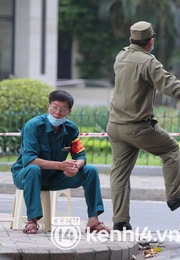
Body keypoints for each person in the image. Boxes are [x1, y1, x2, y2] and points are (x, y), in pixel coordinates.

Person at [107, 21, 180, 231]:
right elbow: (168, 83)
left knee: (119, 175)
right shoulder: (148, 62)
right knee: (170, 148)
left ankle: (120, 221)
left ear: (131, 40)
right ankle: (174, 195)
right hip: (137, 127)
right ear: (151, 42)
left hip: (115, 126)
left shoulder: (121, 56)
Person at [11, 90, 112, 234]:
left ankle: (93, 220)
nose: (57, 112)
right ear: (48, 106)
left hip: (54, 176)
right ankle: (32, 221)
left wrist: (75, 167)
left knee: (90, 170)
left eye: (62, 109)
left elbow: (81, 156)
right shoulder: (33, 126)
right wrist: (60, 165)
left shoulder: (71, 129)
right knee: (33, 170)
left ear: (69, 111)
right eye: (54, 107)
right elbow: (29, 160)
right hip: (26, 175)